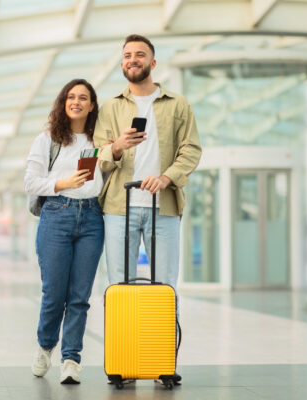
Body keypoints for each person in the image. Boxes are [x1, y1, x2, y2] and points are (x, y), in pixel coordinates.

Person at [94, 34, 202, 383]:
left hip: (164, 207)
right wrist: (118, 146)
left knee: (165, 285)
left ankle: (162, 365)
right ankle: (123, 363)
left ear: (153, 63)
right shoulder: (110, 107)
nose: (132, 60)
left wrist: (168, 177)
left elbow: (191, 150)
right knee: (120, 285)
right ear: (122, 63)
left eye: (140, 55)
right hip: (118, 207)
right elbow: (98, 157)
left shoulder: (177, 104)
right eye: (127, 55)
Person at [24, 79, 104, 384]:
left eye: (83, 98)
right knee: (54, 294)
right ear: (63, 102)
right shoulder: (48, 139)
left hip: (92, 218)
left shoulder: (100, 139)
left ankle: (71, 359)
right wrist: (63, 183)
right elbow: (31, 182)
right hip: (56, 214)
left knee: (80, 296)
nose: (77, 102)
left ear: (92, 105)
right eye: (71, 97)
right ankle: (45, 346)